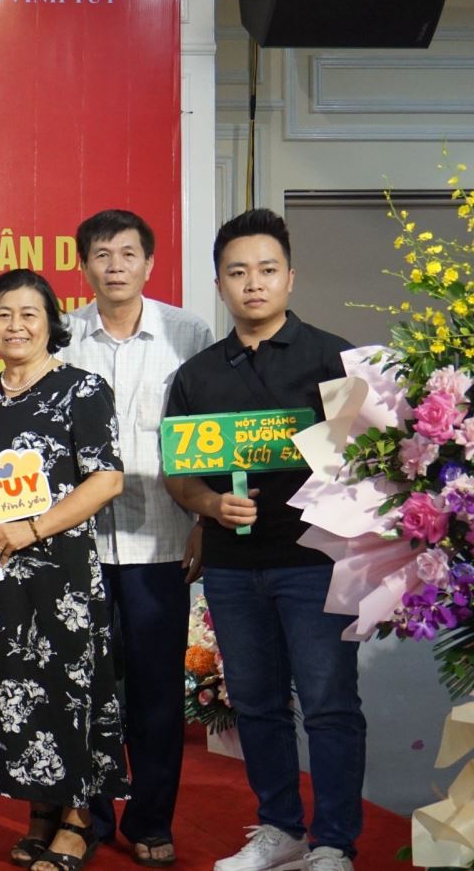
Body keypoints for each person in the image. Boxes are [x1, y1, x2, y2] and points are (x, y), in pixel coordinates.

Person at [163, 209, 362, 871]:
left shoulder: (335, 359)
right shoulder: (197, 375)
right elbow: (179, 473)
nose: (253, 283)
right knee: (255, 706)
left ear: (290, 278)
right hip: (231, 566)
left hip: (316, 564)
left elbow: (369, 461)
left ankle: (333, 841)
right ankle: (281, 829)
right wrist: (209, 505)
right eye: (238, 272)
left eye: (267, 270)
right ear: (219, 283)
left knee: (330, 705)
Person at [61, 209, 214, 867]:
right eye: (102, 254)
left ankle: (150, 819)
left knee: (156, 692)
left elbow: (207, 434)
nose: (115, 266)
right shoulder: (63, 335)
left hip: (160, 541)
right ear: (84, 265)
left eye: (128, 254)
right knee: (87, 687)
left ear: (150, 263)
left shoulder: (188, 332)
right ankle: (89, 817)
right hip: (79, 546)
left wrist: (205, 518)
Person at [0, 268, 126, 871]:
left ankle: (79, 821)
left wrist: (30, 529)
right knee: (16, 688)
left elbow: (106, 479)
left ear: (51, 324)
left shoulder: (82, 389)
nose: (16, 325)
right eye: (3, 314)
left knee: (67, 687)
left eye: (29, 314)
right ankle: (40, 812)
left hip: (58, 574)